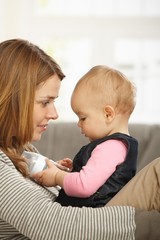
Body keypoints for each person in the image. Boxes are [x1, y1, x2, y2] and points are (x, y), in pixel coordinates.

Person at [0, 38, 159, 240]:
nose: (54, 113)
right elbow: (55, 225)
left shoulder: (21, 150)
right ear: (14, 100)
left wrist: (60, 173)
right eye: (45, 102)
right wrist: (151, 224)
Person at [33, 65, 138, 208]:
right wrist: (73, 171)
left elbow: (84, 186)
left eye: (83, 118)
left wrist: (57, 176)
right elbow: (97, 181)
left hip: (91, 221)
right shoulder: (115, 146)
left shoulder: (110, 148)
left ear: (108, 114)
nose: (79, 124)